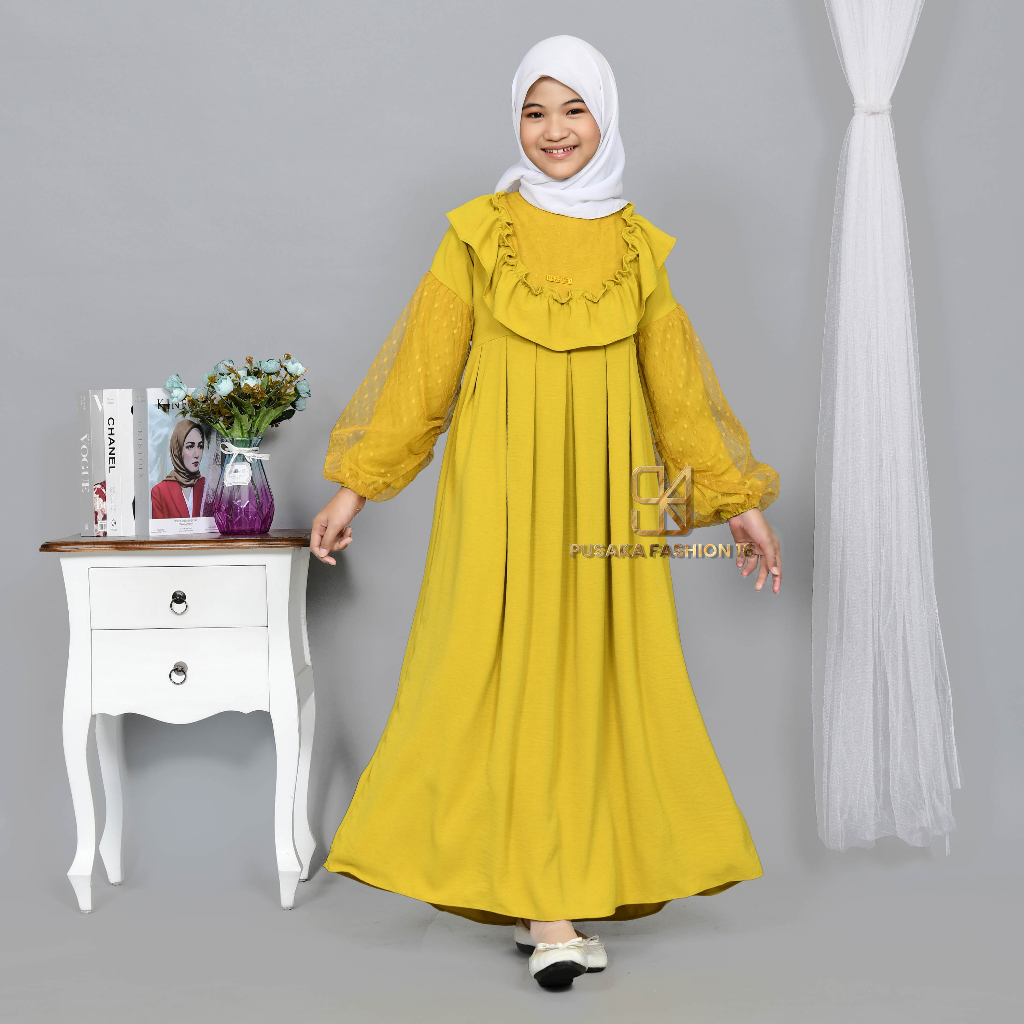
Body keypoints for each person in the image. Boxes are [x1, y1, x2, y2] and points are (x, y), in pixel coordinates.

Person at [311, 35, 781, 990]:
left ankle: (551, 899)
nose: (554, 131)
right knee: (500, 671)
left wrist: (735, 503)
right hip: (500, 492)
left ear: (605, 119)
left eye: (573, 110)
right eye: (535, 111)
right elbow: (422, 371)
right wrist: (355, 483)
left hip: (607, 495)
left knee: (593, 679)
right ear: (515, 123)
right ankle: (550, 910)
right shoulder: (478, 234)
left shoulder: (639, 248)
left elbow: (677, 391)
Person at [151, 419, 207, 519]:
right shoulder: (160, 491)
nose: (197, 454)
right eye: (190, 447)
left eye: (200, 446)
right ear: (178, 449)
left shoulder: (208, 488)